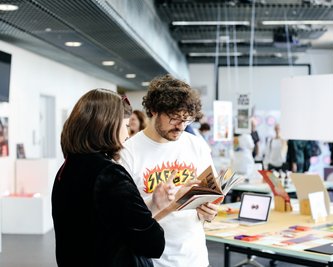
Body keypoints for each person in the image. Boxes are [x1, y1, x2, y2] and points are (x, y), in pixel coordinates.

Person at [52, 89, 165, 267]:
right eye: (126, 126)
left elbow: (105, 221)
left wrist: (154, 205)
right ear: (107, 125)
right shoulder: (110, 175)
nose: (128, 134)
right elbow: (153, 243)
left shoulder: (66, 169)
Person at [119, 74, 218, 267]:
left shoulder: (197, 146)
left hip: (195, 259)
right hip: (154, 261)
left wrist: (210, 212)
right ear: (154, 110)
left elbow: (210, 196)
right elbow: (127, 221)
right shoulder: (128, 152)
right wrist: (158, 203)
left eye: (186, 120)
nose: (181, 126)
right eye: (174, 118)